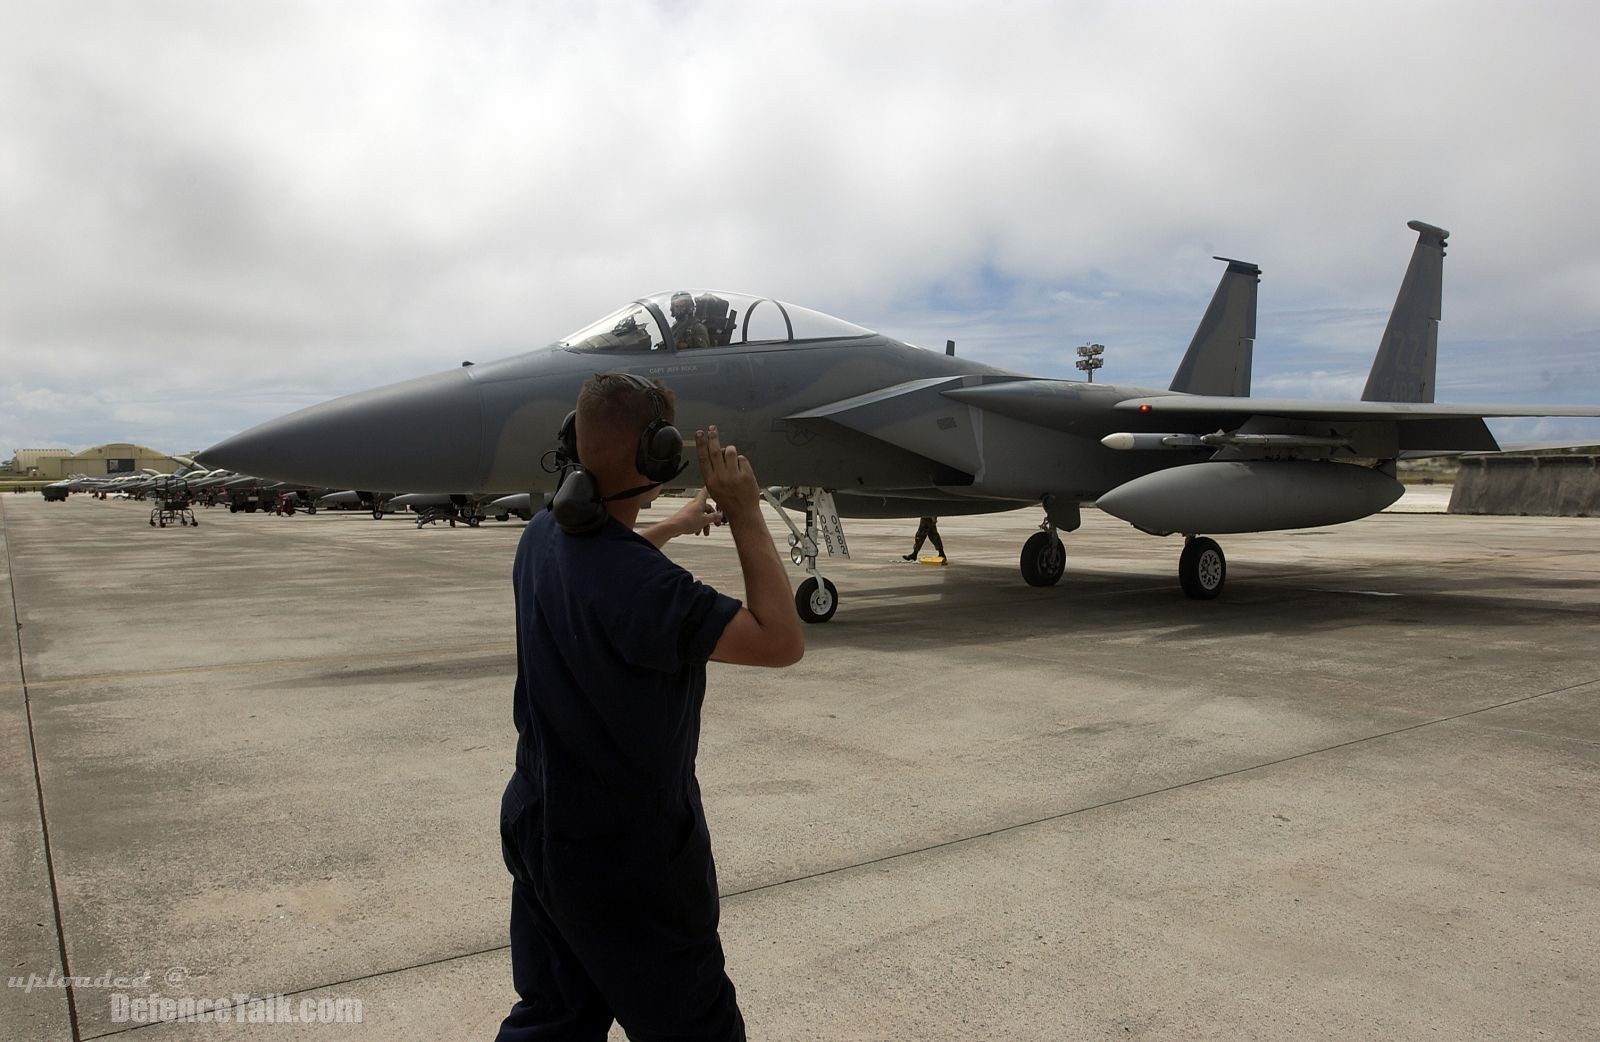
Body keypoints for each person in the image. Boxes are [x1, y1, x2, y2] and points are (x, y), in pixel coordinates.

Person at [496, 373, 804, 1041]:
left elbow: (608, 568)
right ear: (658, 455)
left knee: (555, 1018)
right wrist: (744, 508)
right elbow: (779, 640)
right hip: (627, 857)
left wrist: (673, 524)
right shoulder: (646, 586)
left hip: (538, 820)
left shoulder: (541, 539)